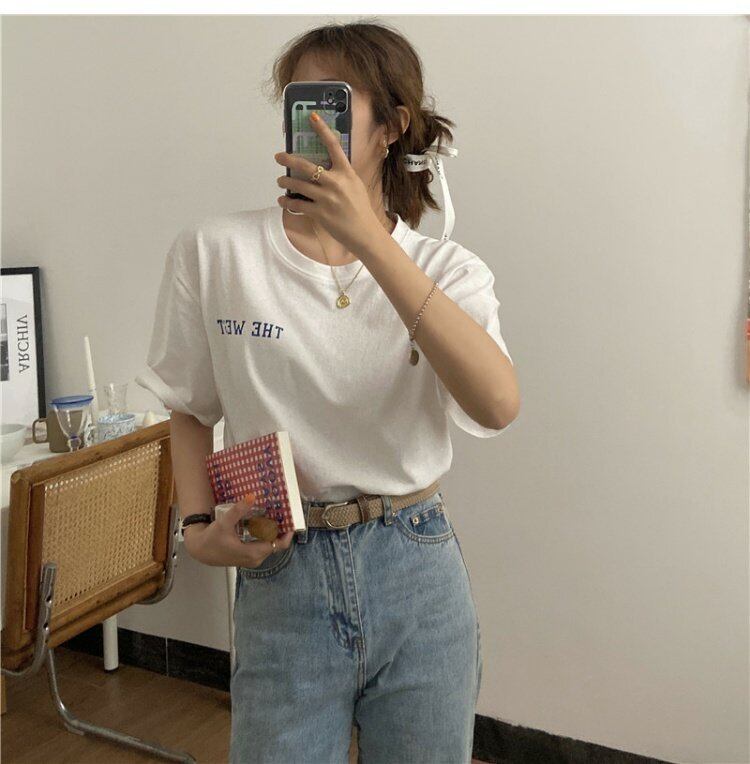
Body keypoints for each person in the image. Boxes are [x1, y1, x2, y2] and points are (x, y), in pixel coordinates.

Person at [136, 19, 520, 764]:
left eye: (331, 104)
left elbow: (497, 404)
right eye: (296, 103)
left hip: (416, 561)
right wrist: (195, 526)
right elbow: (189, 405)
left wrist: (373, 243)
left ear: (390, 128)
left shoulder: (448, 271)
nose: (309, 124)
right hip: (284, 566)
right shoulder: (215, 252)